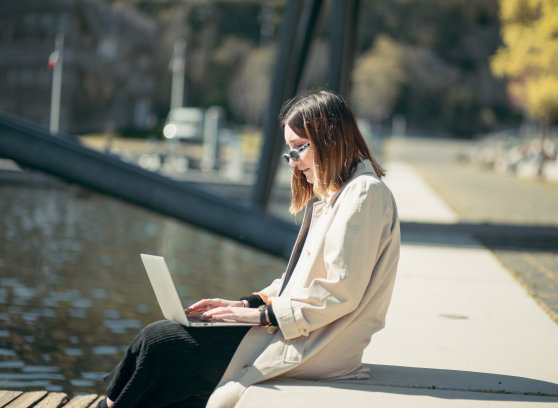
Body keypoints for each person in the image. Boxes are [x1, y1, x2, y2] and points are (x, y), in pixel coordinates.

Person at [98, 90, 400, 408]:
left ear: (330, 139)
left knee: (163, 345)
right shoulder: (336, 195)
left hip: (319, 343)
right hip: (298, 328)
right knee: (159, 338)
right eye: (290, 152)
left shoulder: (363, 195)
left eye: (299, 148)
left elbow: (339, 291)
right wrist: (247, 303)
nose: (294, 164)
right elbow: (298, 281)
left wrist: (262, 316)